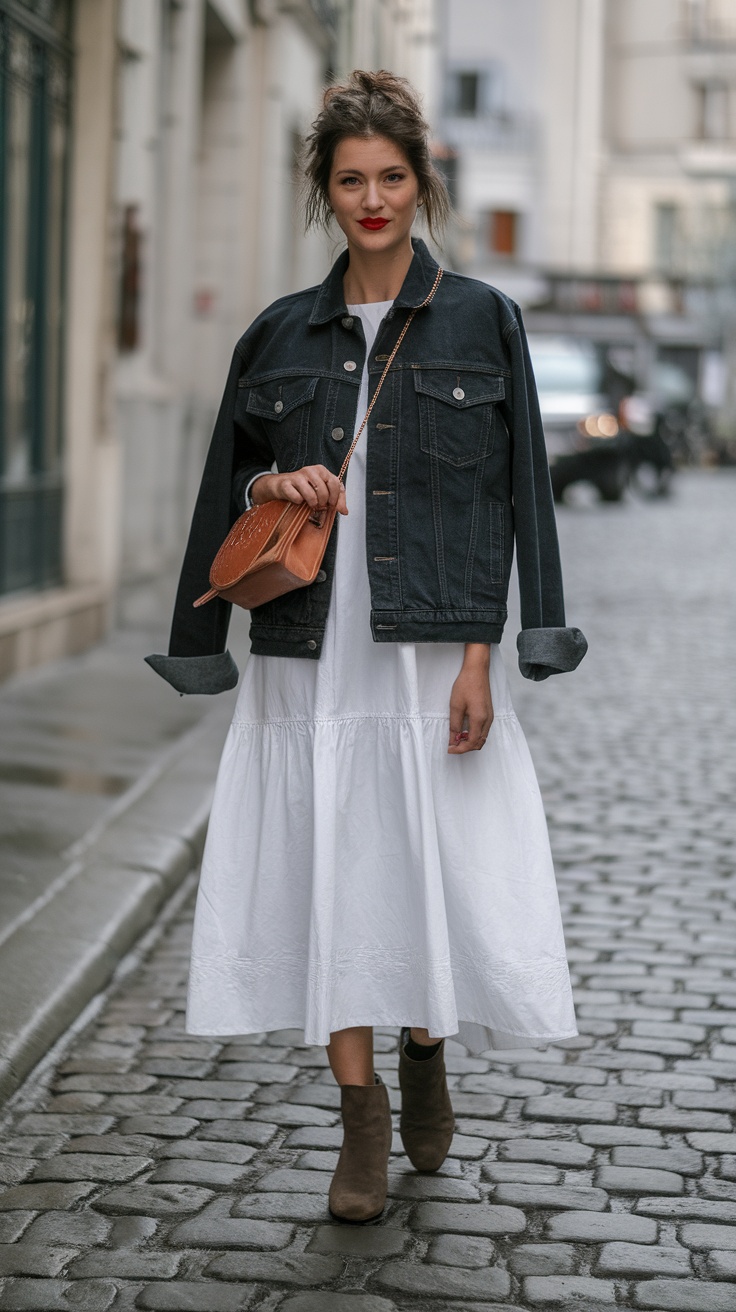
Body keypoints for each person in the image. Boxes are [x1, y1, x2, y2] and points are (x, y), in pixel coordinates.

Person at [147, 69, 587, 1224]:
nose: (372, 198)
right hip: (307, 650)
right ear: (324, 192)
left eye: (391, 177)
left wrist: (494, 653)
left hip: (426, 647)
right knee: (328, 868)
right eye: (351, 181)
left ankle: (427, 1048)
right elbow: (223, 486)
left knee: (421, 865)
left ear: (419, 183)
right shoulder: (277, 331)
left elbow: (513, 494)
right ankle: (360, 1122)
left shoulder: (484, 317)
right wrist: (266, 478)